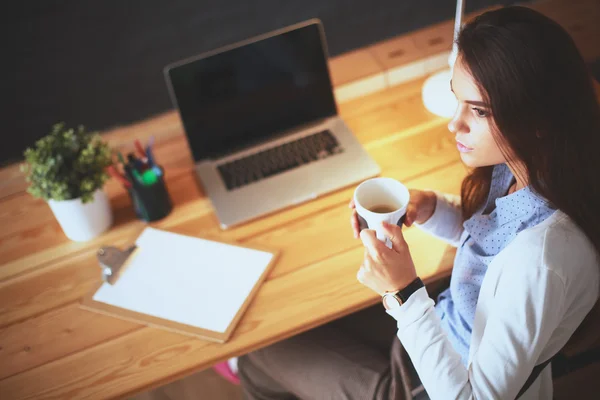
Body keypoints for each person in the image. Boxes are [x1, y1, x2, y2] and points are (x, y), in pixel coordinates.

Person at [215, 6, 600, 399]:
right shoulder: (532, 168)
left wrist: (403, 292)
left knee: (260, 354)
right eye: (457, 100)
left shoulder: (542, 262)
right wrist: (432, 207)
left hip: (436, 384)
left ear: (539, 119)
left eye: (479, 111)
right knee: (296, 322)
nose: (454, 124)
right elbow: (491, 245)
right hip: (442, 324)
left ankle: (249, 370)